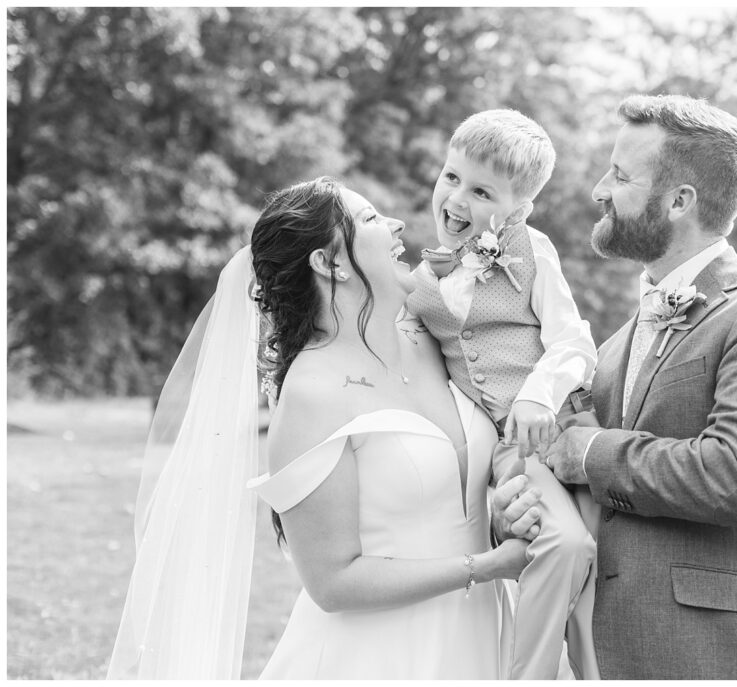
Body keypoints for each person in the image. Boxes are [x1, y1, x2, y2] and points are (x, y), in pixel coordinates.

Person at [107, 177, 541, 679]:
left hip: (476, 637)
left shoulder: (430, 340)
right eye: (372, 220)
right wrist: (486, 568)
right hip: (375, 656)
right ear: (330, 263)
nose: (397, 224)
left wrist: (500, 519)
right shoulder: (312, 393)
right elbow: (332, 582)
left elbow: (454, 494)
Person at [541, 94, 737, 679]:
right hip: (618, 652)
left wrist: (591, 452)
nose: (599, 189)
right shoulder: (615, 343)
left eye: (620, 176)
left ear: (679, 201)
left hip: (726, 654)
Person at [406, 109, 601, 680]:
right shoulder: (420, 282)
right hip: (512, 453)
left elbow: (575, 341)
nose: (456, 199)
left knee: (595, 586)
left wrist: (537, 395)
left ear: (518, 208)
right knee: (564, 547)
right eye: (451, 177)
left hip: (565, 427)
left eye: (481, 190)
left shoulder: (531, 250)